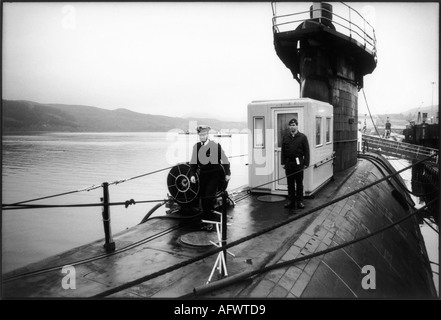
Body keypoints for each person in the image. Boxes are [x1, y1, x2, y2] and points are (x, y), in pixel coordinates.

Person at [189, 125, 231, 230]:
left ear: (207, 135)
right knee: (203, 198)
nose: (202, 137)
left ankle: (210, 221)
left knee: (208, 197)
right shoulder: (197, 147)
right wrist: (192, 174)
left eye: (203, 134)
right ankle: (206, 219)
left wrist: (227, 173)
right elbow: (193, 163)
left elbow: (225, 160)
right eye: (200, 135)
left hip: (215, 175)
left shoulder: (215, 146)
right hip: (203, 175)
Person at [281, 118, 310, 211]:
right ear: (289, 127)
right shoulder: (285, 137)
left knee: (299, 183)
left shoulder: (302, 137)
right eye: (290, 125)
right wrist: (282, 162)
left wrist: (306, 163)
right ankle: (291, 201)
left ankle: (300, 201)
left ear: (297, 126)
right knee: (290, 184)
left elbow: (307, 151)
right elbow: (283, 151)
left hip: (299, 163)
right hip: (289, 163)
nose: (292, 127)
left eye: (294, 125)